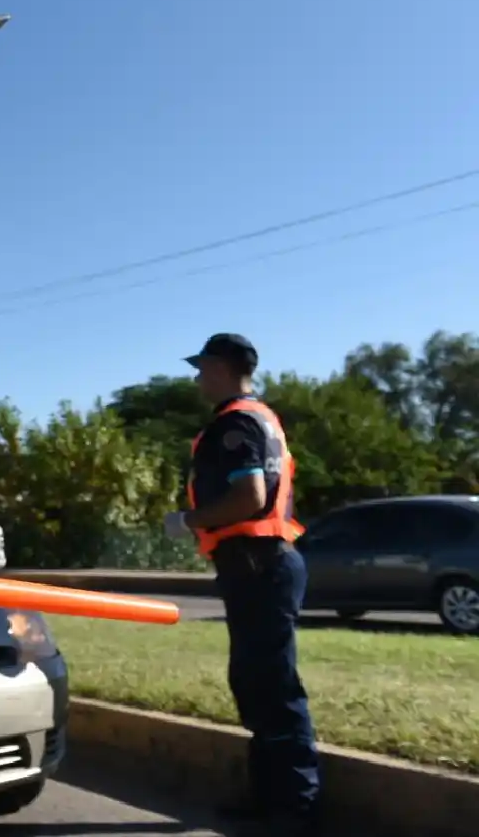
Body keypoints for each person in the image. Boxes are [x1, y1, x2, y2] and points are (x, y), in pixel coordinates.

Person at [162, 334, 321, 837]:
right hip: (261, 564)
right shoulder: (261, 417)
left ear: (222, 368)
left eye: (202, 368)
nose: (197, 378)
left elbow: (250, 497)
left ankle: (294, 805)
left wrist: (188, 520)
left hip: (259, 564)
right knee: (258, 683)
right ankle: (270, 797)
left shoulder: (234, 423)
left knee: (272, 686)